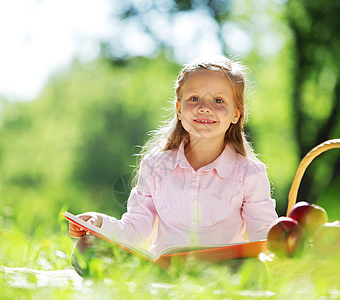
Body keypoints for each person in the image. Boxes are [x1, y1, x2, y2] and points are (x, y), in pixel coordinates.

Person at [69, 56, 278, 270]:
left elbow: (263, 234)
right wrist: (99, 223)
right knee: (88, 248)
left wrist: (285, 242)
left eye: (218, 100)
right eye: (194, 98)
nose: (205, 108)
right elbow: (134, 227)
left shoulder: (249, 173)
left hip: (220, 273)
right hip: (161, 272)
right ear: (179, 108)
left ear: (236, 114)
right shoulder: (155, 166)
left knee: (254, 270)